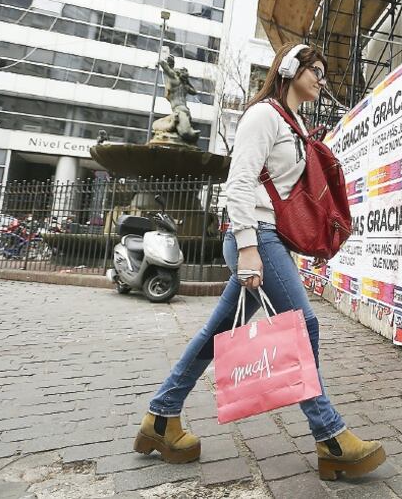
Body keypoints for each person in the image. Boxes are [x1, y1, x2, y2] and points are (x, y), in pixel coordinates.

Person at [135, 43, 386, 481]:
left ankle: (161, 417)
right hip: (256, 238)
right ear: (290, 69)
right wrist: (248, 245)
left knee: (216, 333)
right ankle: (330, 437)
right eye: (315, 70)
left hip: (270, 239)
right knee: (303, 324)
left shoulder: (294, 123)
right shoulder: (263, 115)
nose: (321, 79)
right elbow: (239, 184)